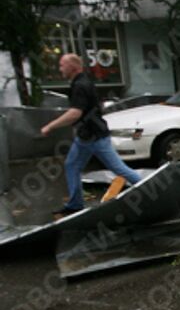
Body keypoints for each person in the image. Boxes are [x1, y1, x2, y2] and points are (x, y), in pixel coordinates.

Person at [41, 54, 142, 218]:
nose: (60, 69)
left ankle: (150, 189)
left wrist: (50, 126)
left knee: (118, 169)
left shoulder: (80, 85)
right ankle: (75, 205)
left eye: (62, 65)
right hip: (86, 137)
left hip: (95, 137)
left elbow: (75, 113)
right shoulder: (81, 82)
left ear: (73, 67)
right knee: (72, 165)